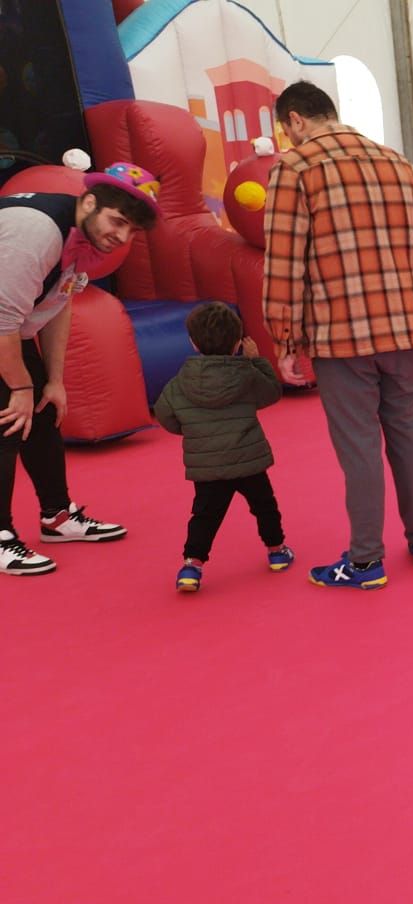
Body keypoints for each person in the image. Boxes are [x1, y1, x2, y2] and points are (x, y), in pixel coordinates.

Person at [263, 80, 413, 591]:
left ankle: (366, 560)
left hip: (340, 331)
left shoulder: (295, 168)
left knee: (359, 445)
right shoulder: (397, 162)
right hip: (406, 326)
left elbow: (283, 260)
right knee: (407, 430)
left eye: (285, 129)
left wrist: (284, 337)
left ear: (296, 120)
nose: (288, 139)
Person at [0, 163, 152, 575]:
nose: (121, 236)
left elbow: (58, 304)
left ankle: (57, 516)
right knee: (9, 420)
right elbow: (1, 322)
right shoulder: (39, 232)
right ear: (88, 202)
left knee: (43, 413)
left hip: (9, 327)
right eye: (117, 221)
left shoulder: (80, 238)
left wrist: (53, 380)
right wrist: (19, 387)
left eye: (131, 231)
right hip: (1, 326)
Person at [153, 302, 293, 593]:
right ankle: (277, 550)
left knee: (205, 515)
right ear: (236, 344)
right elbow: (271, 393)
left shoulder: (180, 383)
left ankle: (192, 566)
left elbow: (166, 414)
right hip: (248, 460)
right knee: (265, 506)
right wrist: (255, 361)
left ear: (193, 342)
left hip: (208, 468)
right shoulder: (245, 375)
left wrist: (189, 429)